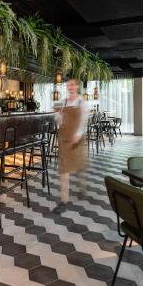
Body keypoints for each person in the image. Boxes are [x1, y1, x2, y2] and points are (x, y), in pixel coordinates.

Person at [53, 78, 88, 214]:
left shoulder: (82, 102)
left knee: (80, 165)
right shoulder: (63, 101)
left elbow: (83, 121)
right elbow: (59, 120)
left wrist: (78, 134)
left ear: (77, 86)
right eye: (68, 85)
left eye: (72, 84)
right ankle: (64, 201)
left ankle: (82, 187)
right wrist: (57, 115)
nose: (70, 87)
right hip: (64, 139)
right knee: (64, 169)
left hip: (76, 139)